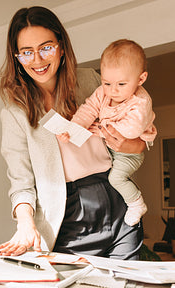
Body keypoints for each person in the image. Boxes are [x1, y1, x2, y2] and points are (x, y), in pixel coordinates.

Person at [0, 6, 147, 259]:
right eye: (26, 52)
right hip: (67, 212)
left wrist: (132, 145)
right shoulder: (15, 113)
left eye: (46, 47)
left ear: (61, 46)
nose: (38, 59)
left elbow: (137, 135)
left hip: (115, 195)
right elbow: (21, 182)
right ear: (17, 57)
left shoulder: (91, 80)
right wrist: (25, 222)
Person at [58, 39, 157, 226]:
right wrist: (74, 127)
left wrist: (102, 131)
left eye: (121, 84)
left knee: (116, 178)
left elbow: (132, 129)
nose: (113, 91)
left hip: (128, 155)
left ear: (141, 79)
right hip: (110, 150)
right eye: (107, 83)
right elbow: (89, 109)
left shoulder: (141, 102)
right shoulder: (103, 92)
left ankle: (136, 203)